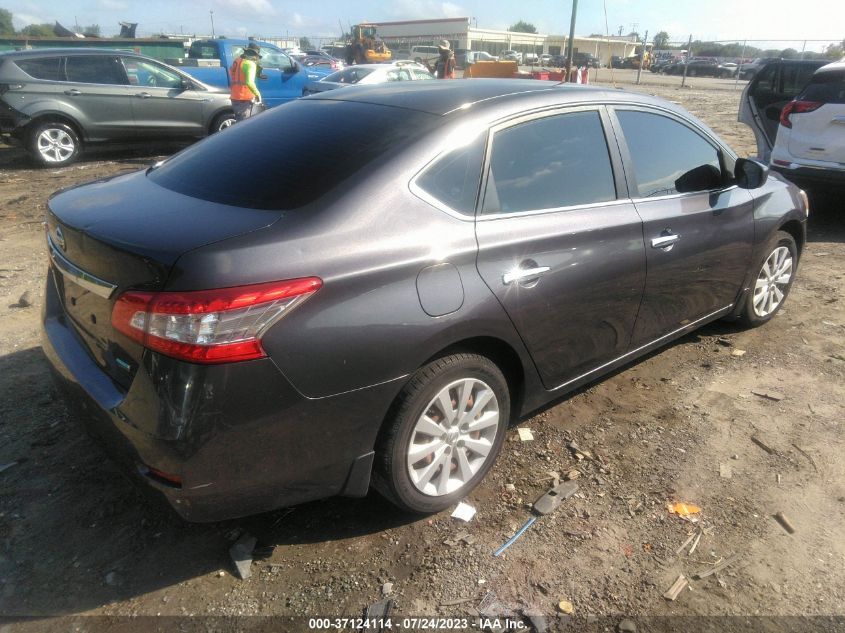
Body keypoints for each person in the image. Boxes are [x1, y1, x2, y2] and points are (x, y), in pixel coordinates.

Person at [229, 44, 262, 122]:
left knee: (239, 122)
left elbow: (231, 72)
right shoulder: (250, 64)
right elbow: (249, 82)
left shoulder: (237, 60)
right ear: (255, 55)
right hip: (245, 98)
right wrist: (257, 94)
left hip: (235, 96)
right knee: (244, 124)